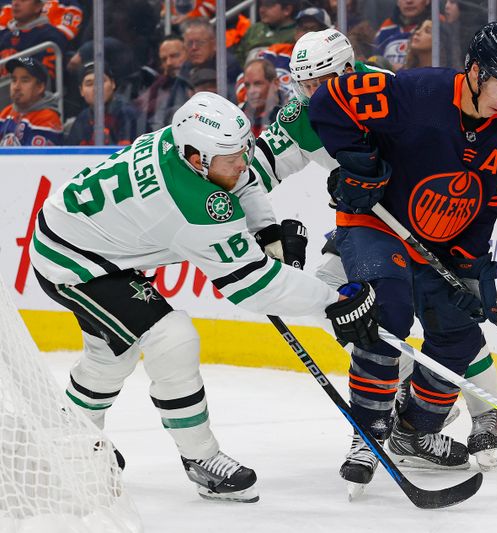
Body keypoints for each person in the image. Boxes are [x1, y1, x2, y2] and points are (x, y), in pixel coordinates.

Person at [29, 91, 378, 503]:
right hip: (72, 261)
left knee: (111, 354)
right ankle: (200, 459)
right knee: (171, 336)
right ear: (196, 159)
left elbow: (242, 182)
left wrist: (265, 232)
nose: (242, 163)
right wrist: (333, 300)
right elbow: (250, 284)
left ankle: (75, 439)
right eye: (231, 159)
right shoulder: (189, 203)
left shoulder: (190, 147)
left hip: (87, 237)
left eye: (242, 151)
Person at [308, 21, 497, 488]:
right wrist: (359, 163)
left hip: (438, 244)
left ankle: (413, 433)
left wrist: (470, 267)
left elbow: (491, 203)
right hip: (376, 224)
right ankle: (368, 432)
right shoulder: (417, 91)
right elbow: (327, 101)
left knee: (459, 336)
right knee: (386, 313)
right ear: (474, 71)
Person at [66, 62, 141, 146]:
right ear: (81, 91)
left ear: (113, 84)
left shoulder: (128, 114)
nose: (96, 88)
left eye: (101, 81)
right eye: (89, 84)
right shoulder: (82, 119)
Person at [136, 34, 193, 132]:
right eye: (164, 59)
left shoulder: (203, 82)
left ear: (188, 53)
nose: (169, 63)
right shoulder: (157, 89)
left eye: (174, 56)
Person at [0, 56, 61, 145]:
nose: (16, 87)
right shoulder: (7, 112)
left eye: (24, 80)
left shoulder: (48, 117)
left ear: (40, 87)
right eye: (14, 80)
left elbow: (31, 158)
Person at [0, 0, 65, 80]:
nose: (15, 3)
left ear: (38, 7)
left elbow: (46, 77)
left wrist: (19, 60)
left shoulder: (51, 35)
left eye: (23, 0)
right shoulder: (4, 35)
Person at [237, 0, 299, 65]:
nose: (261, 10)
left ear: (287, 10)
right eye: (261, 5)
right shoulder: (254, 29)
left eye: (268, 5)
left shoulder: (298, 33)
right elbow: (239, 57)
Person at [374, 0, 430, 70]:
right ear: (397, 2)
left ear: (428, 1)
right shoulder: (386, 28)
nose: (409, 1)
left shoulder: (437, 26)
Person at [240, 58, 280, 136]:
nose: (251, 91)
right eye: (247, 85)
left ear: (275, 84)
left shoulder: (288, 119)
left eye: (258, 84)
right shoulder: (236, 119)